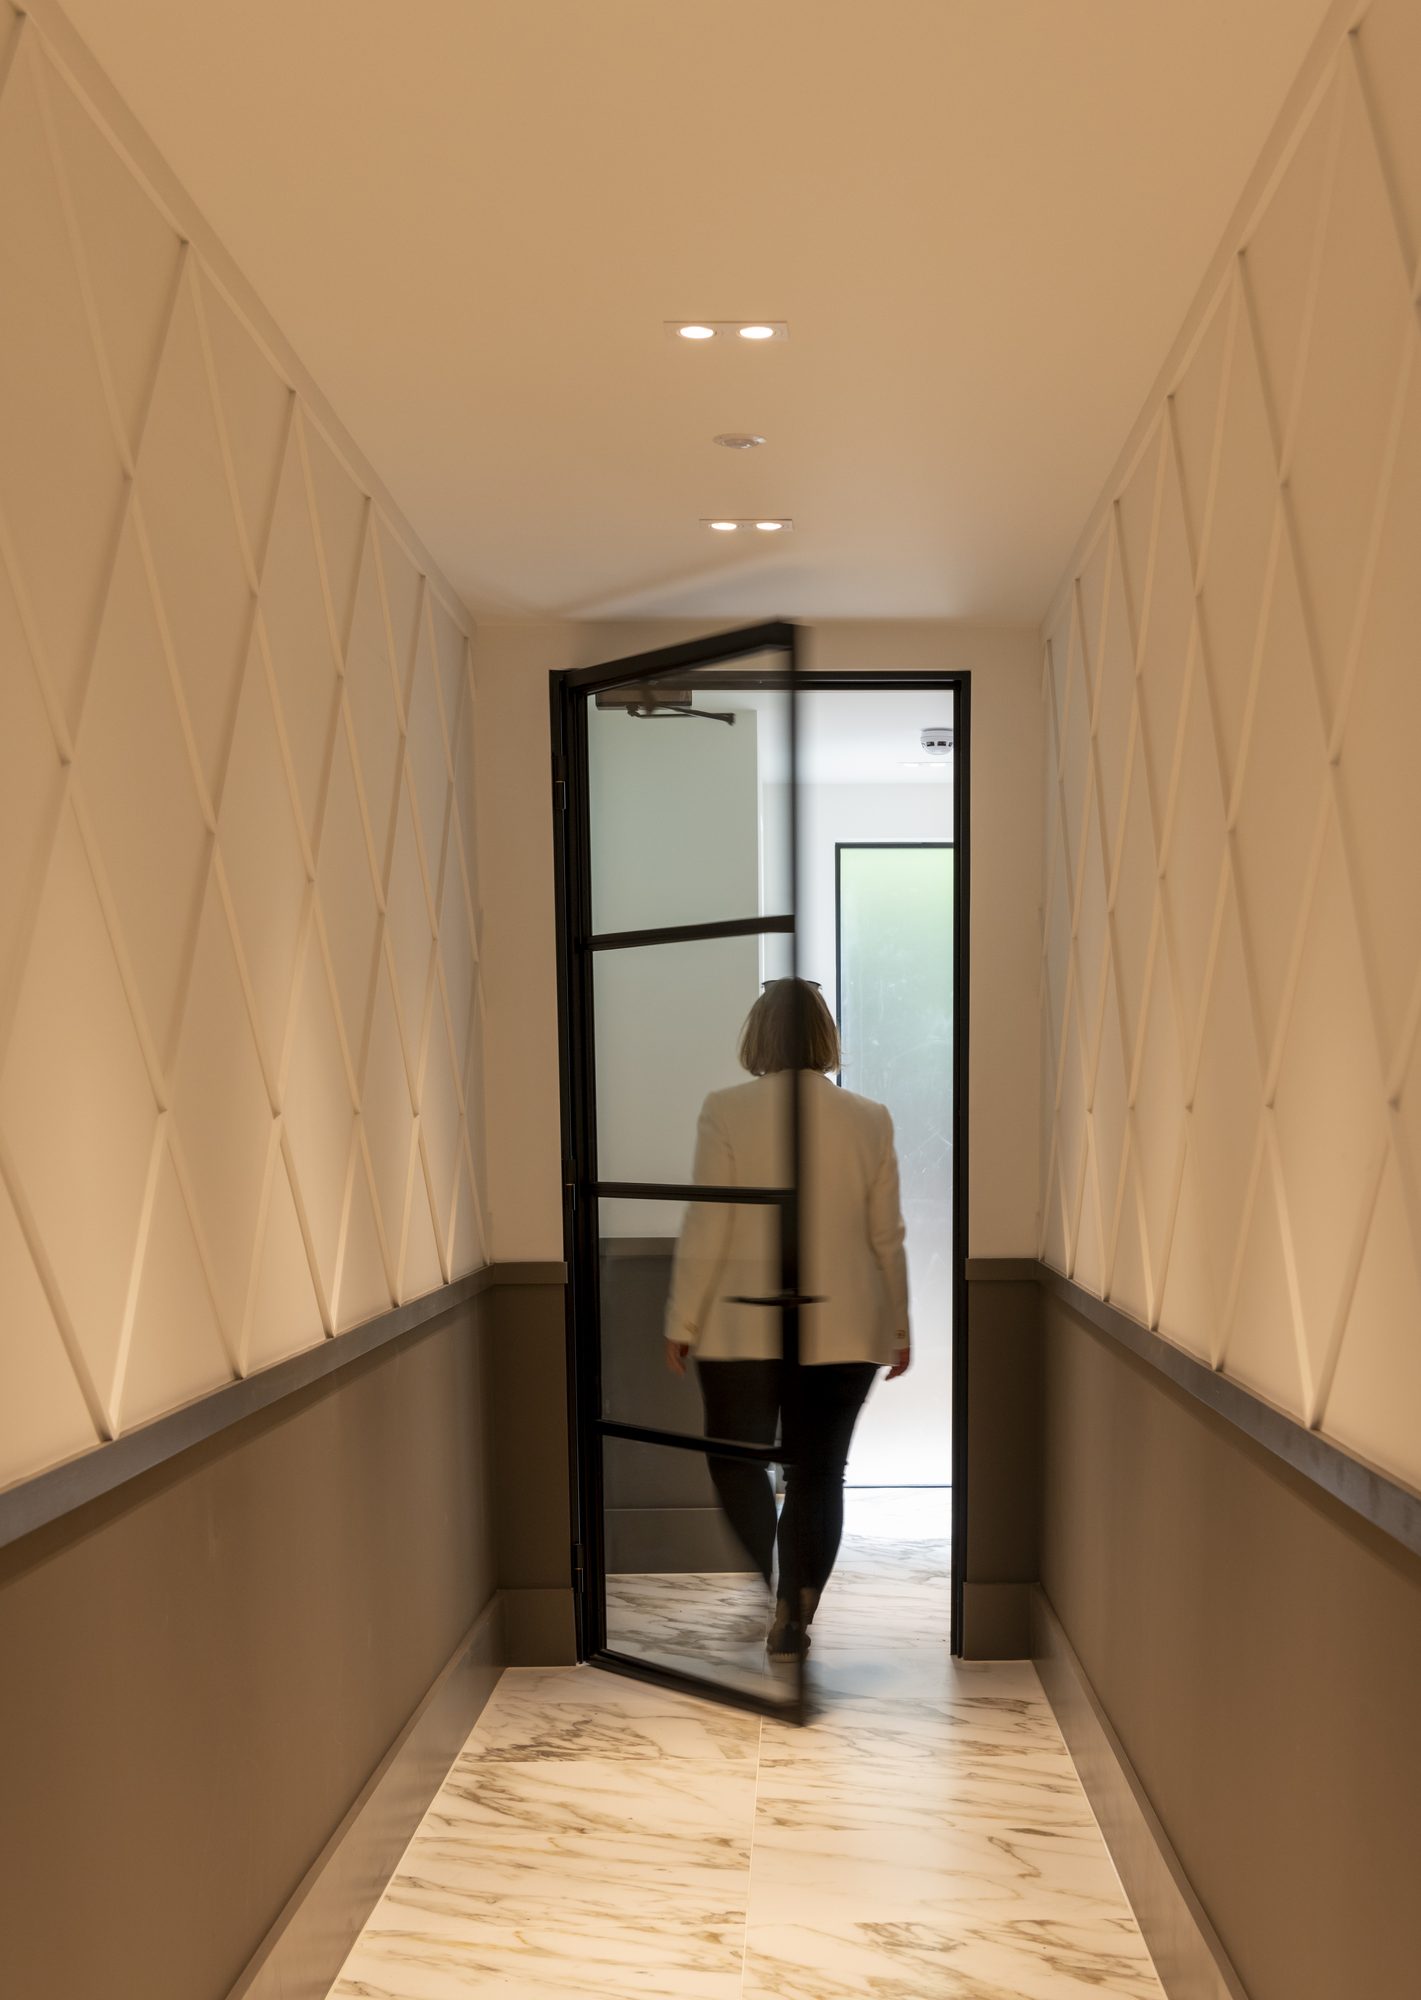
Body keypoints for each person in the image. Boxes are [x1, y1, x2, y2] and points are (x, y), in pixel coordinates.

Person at [664, 977, 910, 1662]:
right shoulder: (870, 1117)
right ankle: (792, 1610)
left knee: (734, 1461)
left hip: (743, 1327)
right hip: (845, 1325)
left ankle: (774, 1583)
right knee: (818, 1474)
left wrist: (681, 1318)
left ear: (757, 1036)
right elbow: (885, 1233)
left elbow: (706, 1223)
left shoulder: (726, 1109)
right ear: (824, 1039)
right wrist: (897, 1326)